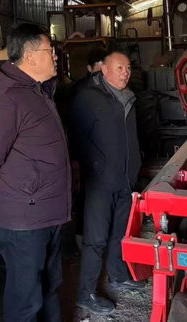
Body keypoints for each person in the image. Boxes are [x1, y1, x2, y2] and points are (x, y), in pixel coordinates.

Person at [0, 23, 71, 322]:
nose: (55, 57)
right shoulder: (7, 99)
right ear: (29, 56)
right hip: (23, 220)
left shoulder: (37, 91)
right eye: (50, 51)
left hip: (45, 213)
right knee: (26, 300)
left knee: (49, 286)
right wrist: (2, 199)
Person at [70, 51, 145, 316]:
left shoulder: (128, 97)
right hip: (100, 181)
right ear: (104, 70)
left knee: (120, 233)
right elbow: (77, 138)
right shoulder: (88, 97)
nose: (126, 72)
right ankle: (86, 293)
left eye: (128, 67)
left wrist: (136, 165)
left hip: (125, 179)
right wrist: (95, 167)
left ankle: (118, 275)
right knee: (96, 239)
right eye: (119, 68)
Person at [68, 47, 108, 251]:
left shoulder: (113, 88)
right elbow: (74, 127)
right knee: (86, 193)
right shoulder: (78, 91)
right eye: (98, 71)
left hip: (106, 153)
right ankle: (81, 235)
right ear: (89, 68)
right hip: (86, 153)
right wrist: (76, 158)